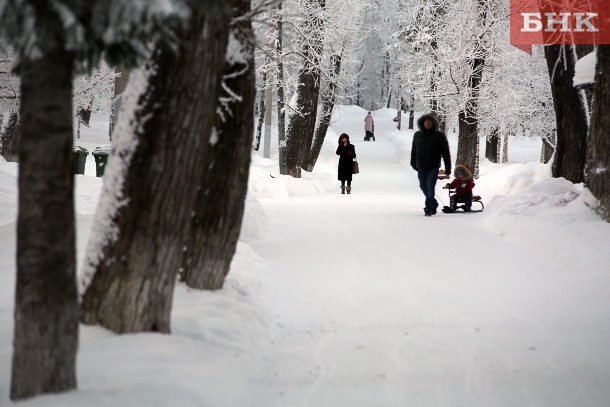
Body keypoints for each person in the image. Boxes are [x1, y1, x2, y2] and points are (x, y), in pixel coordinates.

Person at [410, 113, 451, 216]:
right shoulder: (417, 135)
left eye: (430, 122)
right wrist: (413, 163)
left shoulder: (439, 136)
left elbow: (446, 152)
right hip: (421, 166)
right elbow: (414, 150)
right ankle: (433, 202)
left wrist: (448, 167)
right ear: (422, 123)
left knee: (430, 186)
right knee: (423, 186)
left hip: (433, 166)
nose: (427, 123)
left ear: (433, 123)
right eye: (426, 121)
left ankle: (429, 208)